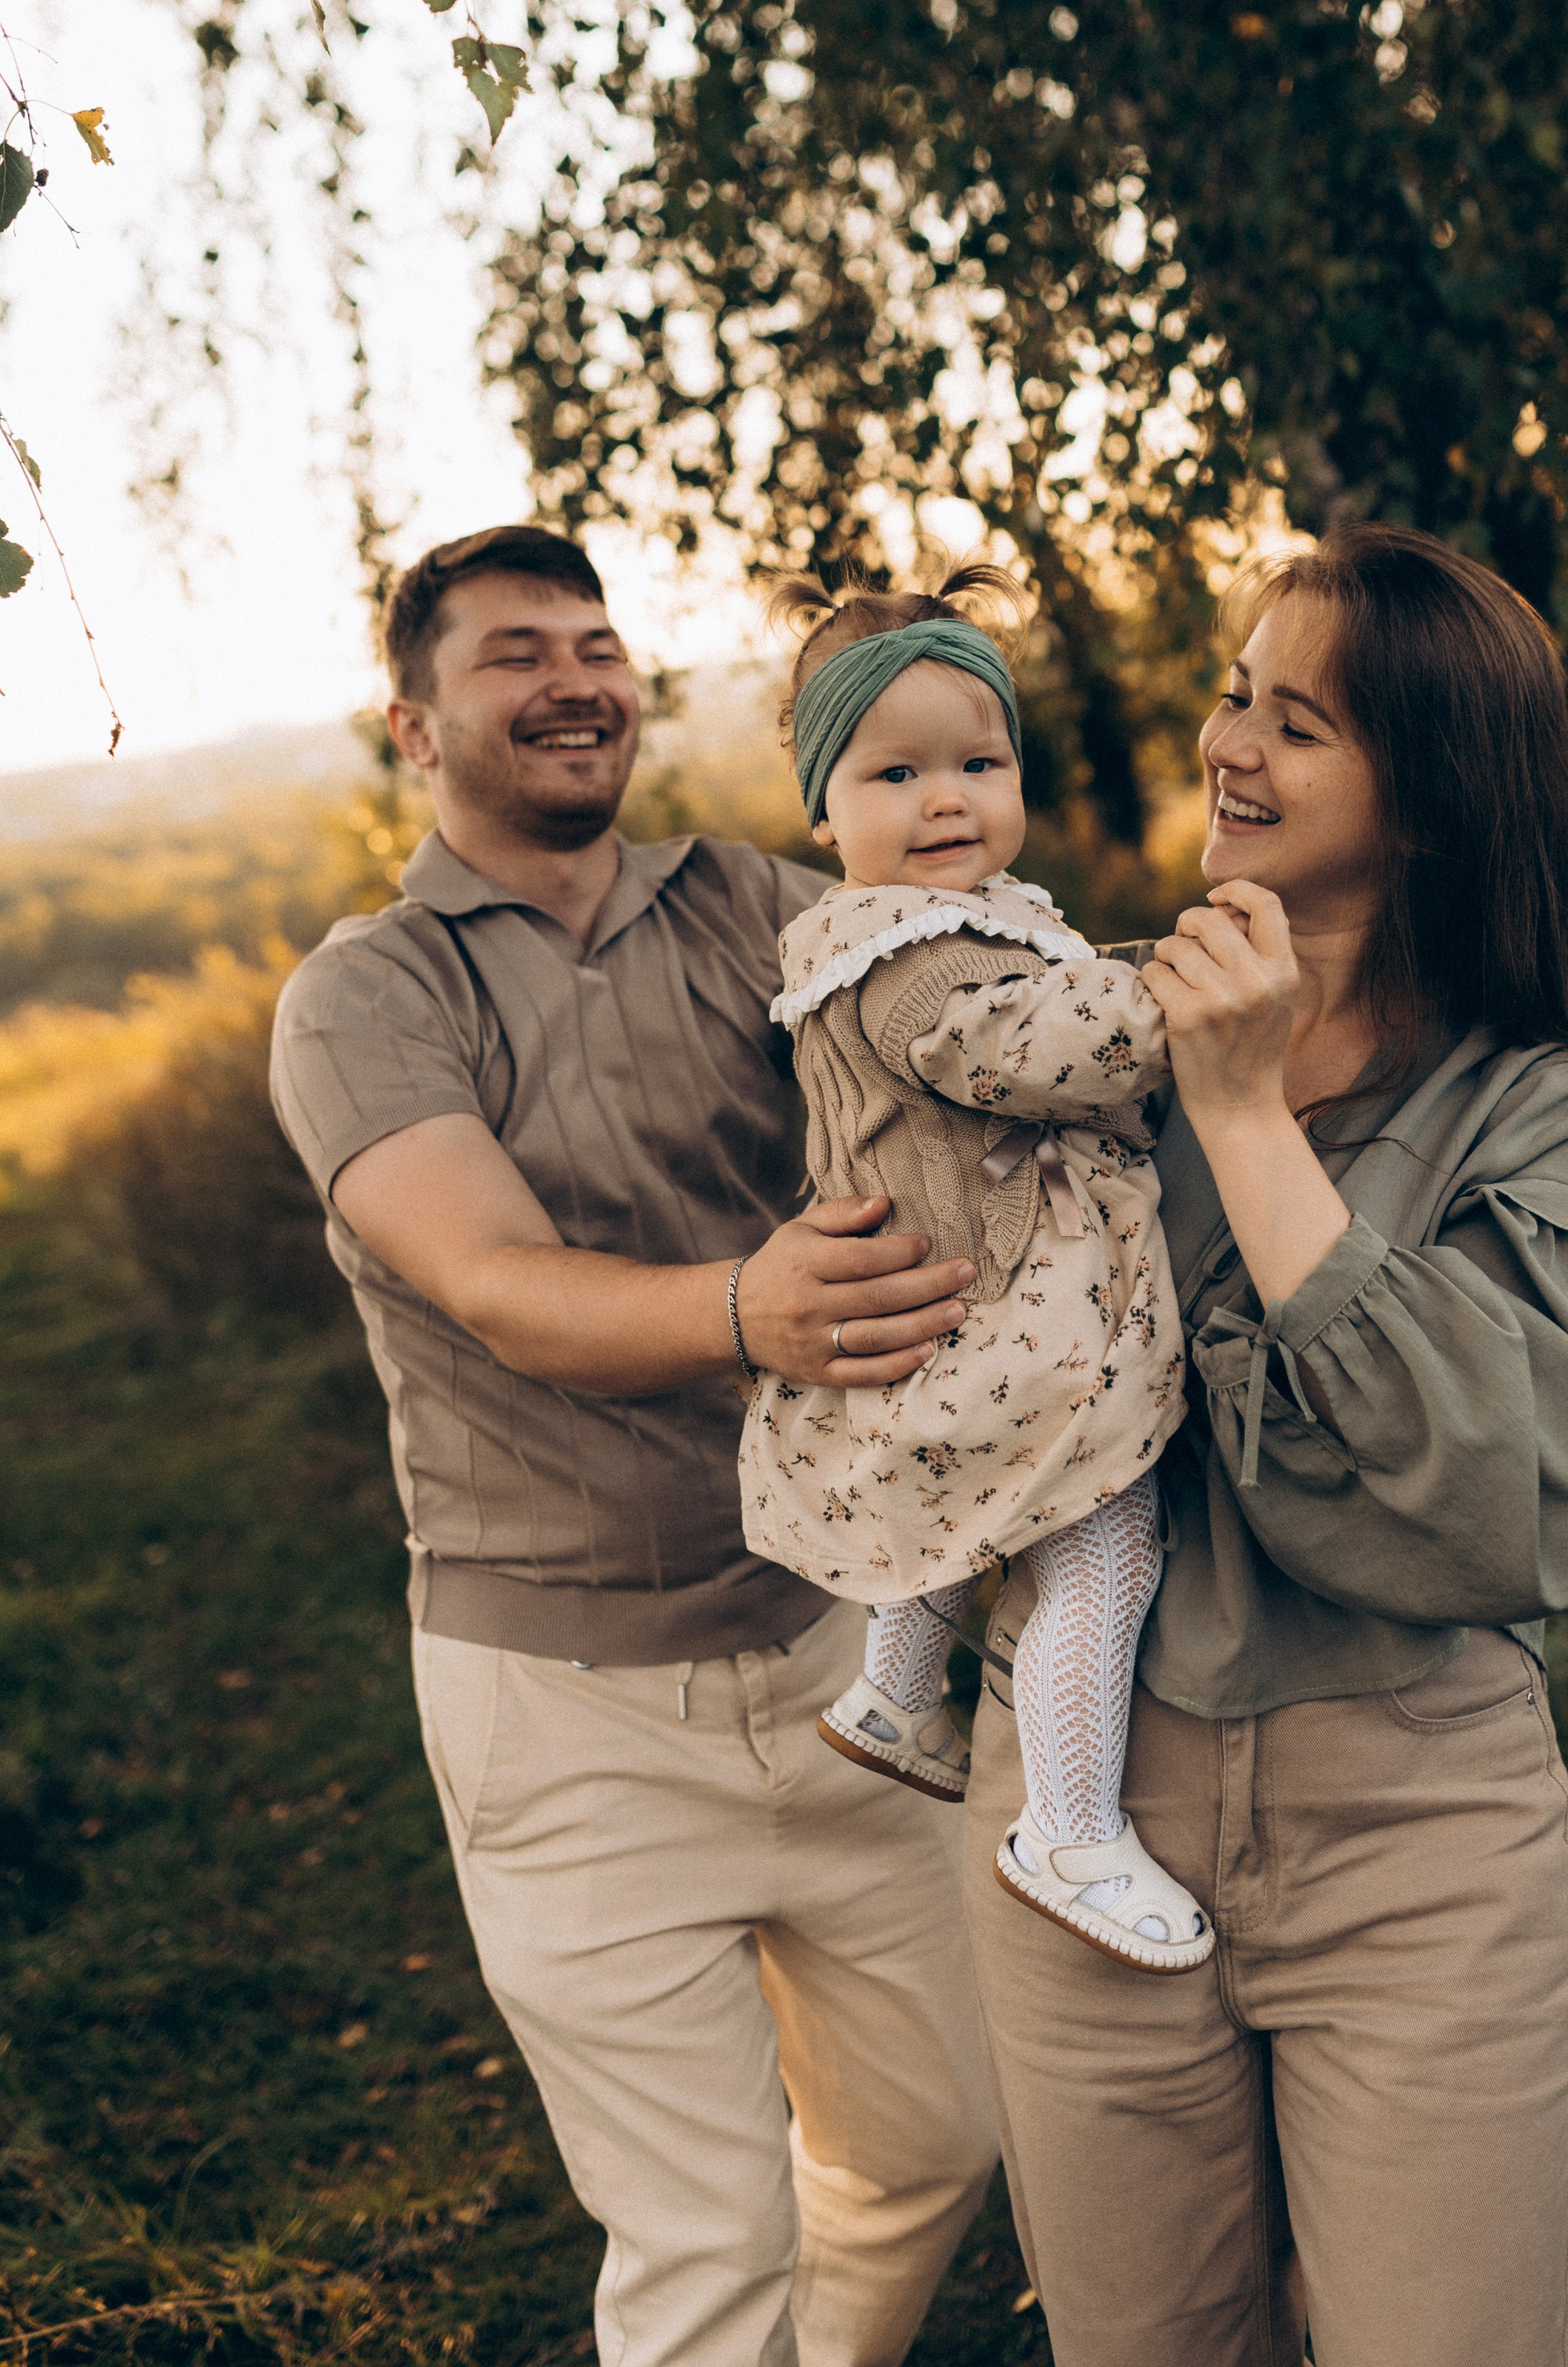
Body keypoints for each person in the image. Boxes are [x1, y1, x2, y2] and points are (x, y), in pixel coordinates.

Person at [959, 525, 1568, 2367]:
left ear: (1434, 802)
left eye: (1297, 724)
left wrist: (1239, 1108)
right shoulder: (1080, 1029)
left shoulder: (1527, 1106)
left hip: (1411, 1824)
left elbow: (1486, 1500)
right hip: (1077, 1805)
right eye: (1229, 693)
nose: (1228, 748)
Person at [269, 525, 998, 2367]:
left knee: (933, 2148)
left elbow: (970, 1045)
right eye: (514, 653)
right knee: (703, 2246)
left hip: (849, 1652)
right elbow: (498, 1284)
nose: (574, 678)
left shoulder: (764, 908)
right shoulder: (370, 993)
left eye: (595, 643)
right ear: (412, 724)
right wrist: (752, 1307)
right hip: (568, 1709)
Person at [739, 570, 1210, 1974]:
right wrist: (1171, 992)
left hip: (972, 1313)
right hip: (1004, 1318)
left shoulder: (949, 918)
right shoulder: (909, 958)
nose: (945, 799)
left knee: (977, 1504)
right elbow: (1045, 1050)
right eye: (896, 772)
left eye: (978, 762)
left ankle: (893, 1692)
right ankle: (1066, 1827)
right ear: (824, 811)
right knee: (1104, 1540)